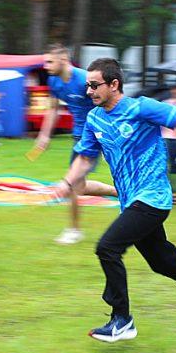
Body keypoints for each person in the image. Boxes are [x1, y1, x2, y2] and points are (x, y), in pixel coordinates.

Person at [52, 58, 176, 342]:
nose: (88, 91)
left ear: (114, 85)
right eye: (87, 85)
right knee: (163, 261)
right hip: (132, 201)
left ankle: (122, 320)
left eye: (94, 85)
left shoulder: (139, 107)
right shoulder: (94, 119)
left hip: (153, 196)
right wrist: (68, 182)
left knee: (107, 247)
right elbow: (85, 158)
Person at [35, 44, 118, 244]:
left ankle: (74, 231)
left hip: (97, 133)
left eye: (50, 62)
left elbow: (108, 101)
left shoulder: (84, 80)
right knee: (77, 186)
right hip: (79, 136)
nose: (45, 66)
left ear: (63, 60)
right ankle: (120, 191)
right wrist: (45, 135)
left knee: (72, 183)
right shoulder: (54, 81)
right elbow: (54, 109)